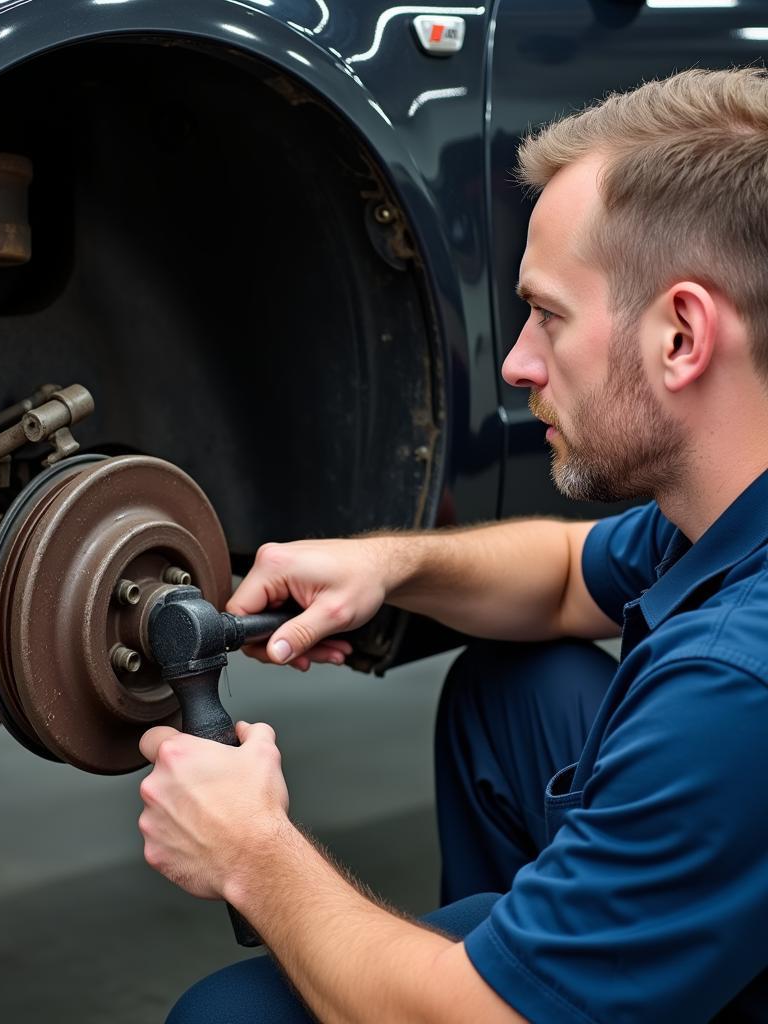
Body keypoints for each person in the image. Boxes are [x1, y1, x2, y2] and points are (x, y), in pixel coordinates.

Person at [137, 68, 768, 1022]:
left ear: (682, 335)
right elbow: (563, 577)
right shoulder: (726, 505)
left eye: (549, 315)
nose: (516, 362)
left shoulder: (734, 684)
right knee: (513, 685)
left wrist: (253, 853)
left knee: (229, 1016)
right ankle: (562, 945)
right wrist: (386, 565)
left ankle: (534, 968)